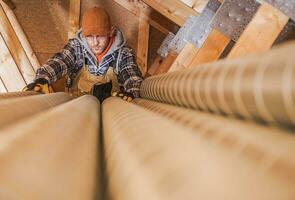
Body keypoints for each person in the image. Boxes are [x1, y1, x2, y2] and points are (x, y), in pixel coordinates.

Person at [23, 6, 143, 102]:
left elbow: (132, 77)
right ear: (84, 34)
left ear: (110, 32)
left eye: (100, 36)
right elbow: (60, 61)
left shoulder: (124, 54)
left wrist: (132, 93)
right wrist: (42, 79)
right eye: (90, 37)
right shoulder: (76, 47)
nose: (95, 43)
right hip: (77, 107)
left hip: (111, 113)